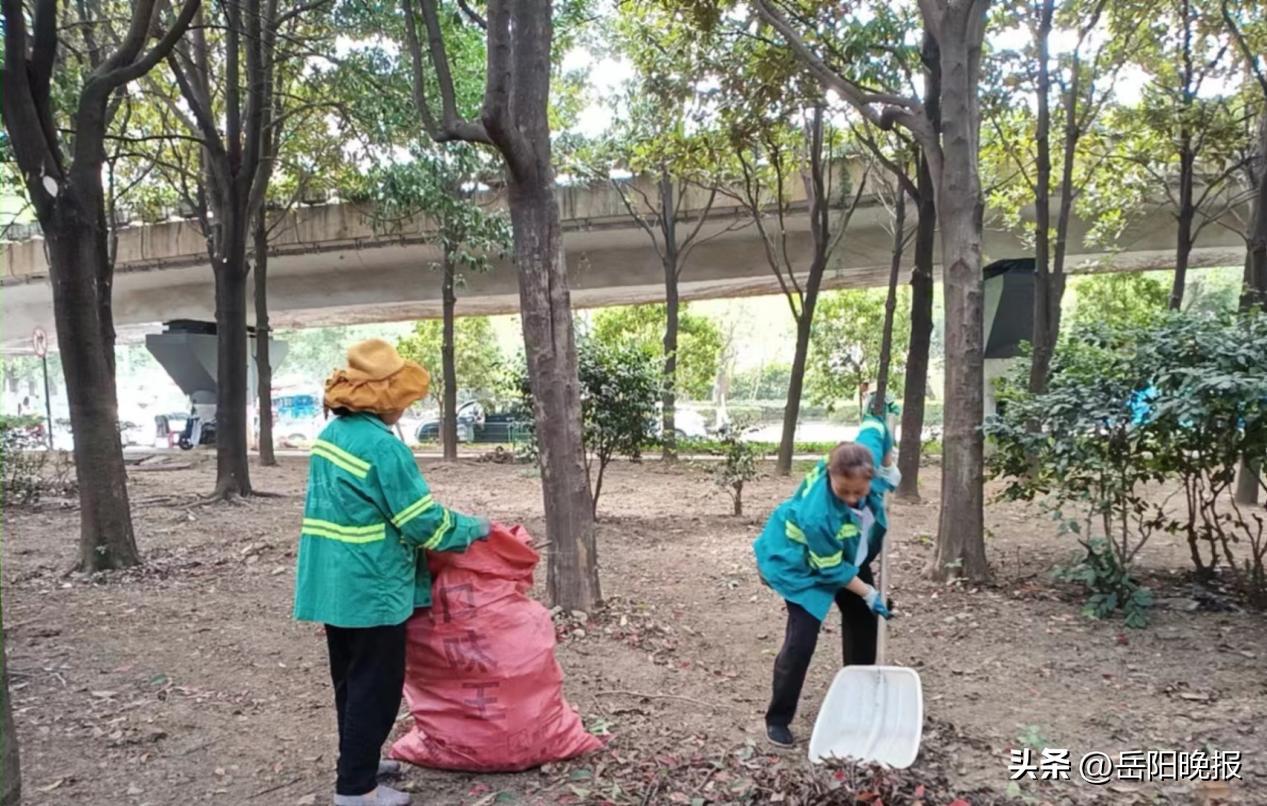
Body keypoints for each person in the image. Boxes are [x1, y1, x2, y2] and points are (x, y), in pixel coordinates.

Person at [293, 339, 491, 806]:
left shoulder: (332, 436)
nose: (404, 406)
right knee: (375, 688)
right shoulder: (383, 449)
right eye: (400, 398)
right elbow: (422, 522)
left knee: (349, 681)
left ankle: (358, 763)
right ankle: (356, 791)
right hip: (372, 586)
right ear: (384, 400)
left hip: (332, 584)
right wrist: (474, 529)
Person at [753, 412, 900, 749]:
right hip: (801, 567)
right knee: (802, 640)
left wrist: (889, 462)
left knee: (864, 622)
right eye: (843, 490)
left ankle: (859, 697)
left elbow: (877, 426)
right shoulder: (818, 513)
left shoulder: (865, 455)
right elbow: (831, 570)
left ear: (870, 473)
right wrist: (867, 592)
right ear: (831, 476)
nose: (851, 497)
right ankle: (777, 719)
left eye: (858, 491)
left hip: (847, 555)